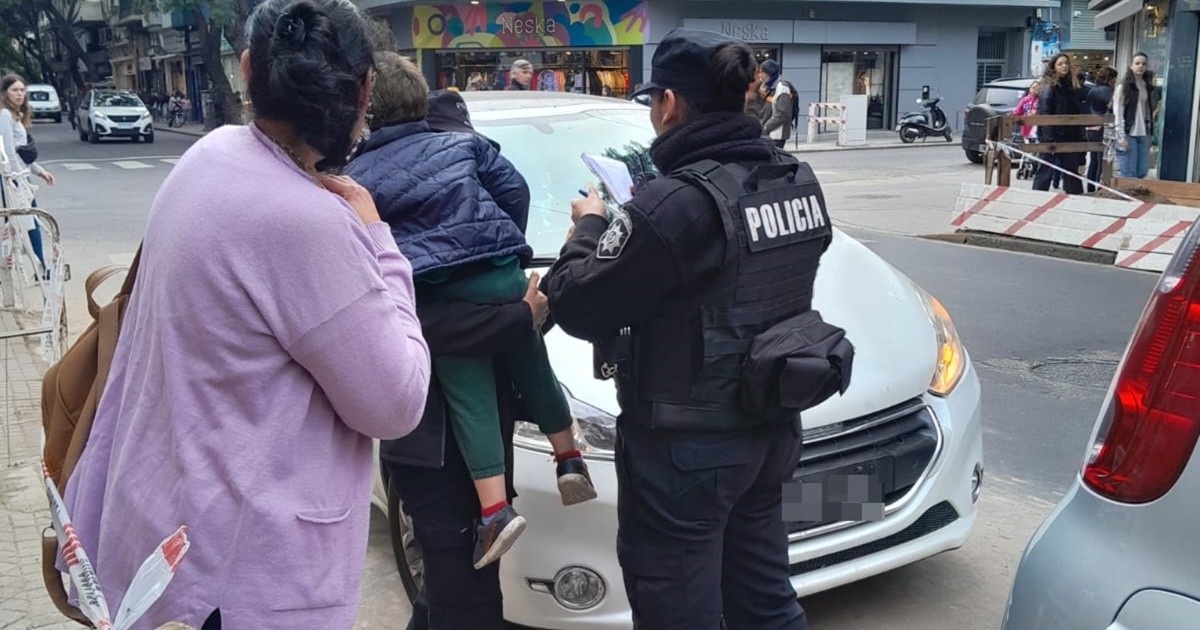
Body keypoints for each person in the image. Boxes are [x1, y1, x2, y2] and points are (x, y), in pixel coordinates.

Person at [58, 0, 431, 627]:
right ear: (365, 87)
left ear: (248, 68)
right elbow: (395, 403)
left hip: (168, 531)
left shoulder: (211, 156)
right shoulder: (307, 223)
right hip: (244, 578)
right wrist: (380, 241)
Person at [545, 28, 850, 629]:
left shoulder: (676, 205)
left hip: (689, 454)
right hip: (770, 433)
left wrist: (588, 228)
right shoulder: (794, 178)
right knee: (763, 596)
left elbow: (577, 305)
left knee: (676, 610)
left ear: (670, 105)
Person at [346, 53, 596, 570]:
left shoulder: (357, 173)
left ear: (367, 107)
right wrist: (500, 242)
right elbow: (514, 190)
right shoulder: (463, 143)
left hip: (443, 289)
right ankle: (569, 458)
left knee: (469, 396)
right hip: (503, 273)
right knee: (532, 360)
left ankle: (495, 513)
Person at [1, 74, 56, 271]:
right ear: (5, 93)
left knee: (25, 223)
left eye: (22, 90)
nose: (19, 94)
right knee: (28, 222)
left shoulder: (16, 116)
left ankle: (38, 266)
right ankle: (41, 267)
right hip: (14, 180)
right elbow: (8, 152)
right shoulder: (5, 115)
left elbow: (22, 153)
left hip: (21, 177)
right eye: (15, 90)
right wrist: (17, 179)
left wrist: (40, 172)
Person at [1033, 53, 1085, 194]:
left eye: (1066, 63)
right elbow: (1045, 113)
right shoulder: (1048, 86)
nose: (1065, 66)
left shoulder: (1073, 86)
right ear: (1053, 67)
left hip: (1070, 134)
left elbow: (1076, 110)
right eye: (1060, 63)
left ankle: (1076, 200)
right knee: (1045, 170)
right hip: (1052, 135)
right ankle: (1035, 200)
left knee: (1071, 171)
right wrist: (1049, 139)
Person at [1114, 52, 1157, 180]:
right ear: (1131, 65)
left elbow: (1146, 110)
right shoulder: (1123, 87)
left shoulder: (1146, 86)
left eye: (1144, 64)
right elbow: (1118, 113)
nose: (1140, 66)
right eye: (1137, 63)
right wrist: (1120, 136)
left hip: (1143, 133)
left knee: (1142, 171)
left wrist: (1149, 133)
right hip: (1128, 132)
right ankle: (1129, 199)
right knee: (1129, 173)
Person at [1083, 66, 1118, 192]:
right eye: (1114, 78)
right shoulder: (1107, 91)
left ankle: (1090, 187)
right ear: (1110, 78)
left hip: (1090, 127)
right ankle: (1099, 187)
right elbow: (1114, 108)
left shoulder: (1092, 90)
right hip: (1102, 128)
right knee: (1101, 160)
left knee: (1093, 160)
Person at [758, 59, 795, 148]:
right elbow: (768, 108)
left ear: (769, 73)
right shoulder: (770, 88)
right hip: (769, 135)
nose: (760, 75)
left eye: (762, 72)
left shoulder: (782, 88)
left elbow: (782, 114)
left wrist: (765, 128)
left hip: (776, 137)